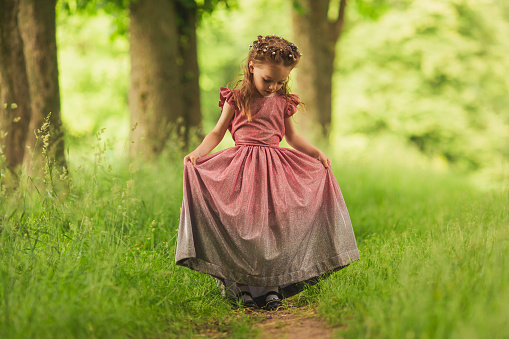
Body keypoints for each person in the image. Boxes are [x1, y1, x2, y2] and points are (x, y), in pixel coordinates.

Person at [176, 35, 359, 311]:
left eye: (280, 82)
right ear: (252, 67)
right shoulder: (236, 99)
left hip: (274, 173)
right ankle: (242, 287)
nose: (273, 86)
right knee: (242, 226)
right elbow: (217, 132)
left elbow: (292, 138)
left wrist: (316, 153)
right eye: (268, 80)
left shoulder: (283, 101)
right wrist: (198, 154)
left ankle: (272, 286)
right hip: (240, 171)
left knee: (274, 227)